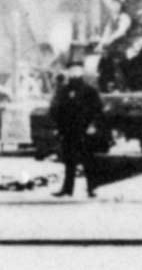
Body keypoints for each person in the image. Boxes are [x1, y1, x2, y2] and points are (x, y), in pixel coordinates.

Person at [50, 61, 103, 198]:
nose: (74, 73)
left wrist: (92, 125)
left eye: (77, 70)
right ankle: (67, 189)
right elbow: (56, 109)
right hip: (68, 130)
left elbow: (98, 110)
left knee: (88, 160)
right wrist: (58, 127)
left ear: (82, 72)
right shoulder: (63, 90)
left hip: (84, 130)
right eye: (72, 70)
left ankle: (91, 188)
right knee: (69, 160)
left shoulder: (89, 91)